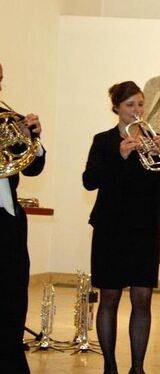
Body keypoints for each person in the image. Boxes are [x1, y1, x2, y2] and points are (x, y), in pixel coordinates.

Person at [83, 81, 160, 374]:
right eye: (130, 105)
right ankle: (110, 366)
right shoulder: (103, 141)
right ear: (116, 107)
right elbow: (90, 181)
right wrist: (120, 156)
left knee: (143, 298)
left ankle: (138, 368)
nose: (137, 110)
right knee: (110, 297)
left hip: (145, 228)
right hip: (110, 228)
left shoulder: (156, 140)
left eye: (140, 104)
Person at [0, 62, 46, 374]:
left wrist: (35, 140)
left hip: (8, 221)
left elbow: (32, 167)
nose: (0, 86)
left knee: (13, 297)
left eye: (0, 79)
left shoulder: (9, 120)